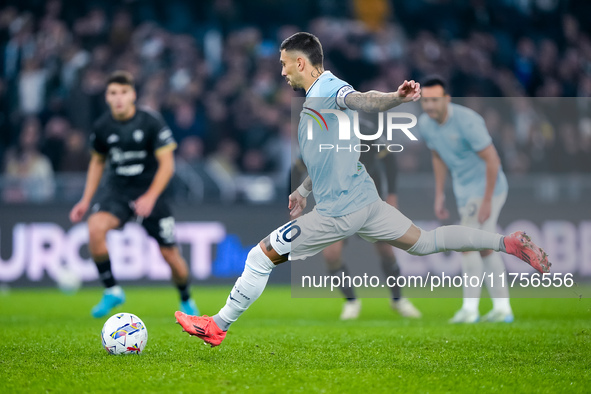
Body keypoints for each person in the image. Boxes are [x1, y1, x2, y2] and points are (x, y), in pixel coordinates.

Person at [175, 32, 550, 347]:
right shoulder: (315, 101)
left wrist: (395, 98)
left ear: (301, 63)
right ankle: (508, 243)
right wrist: (304, 190)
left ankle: (217, 326)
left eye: (284, 63)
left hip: (339, 211)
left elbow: (364, 99)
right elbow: (327, 156)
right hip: (366, 201)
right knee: (425, 243)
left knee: (260, 258)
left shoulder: (329, 88)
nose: (282, 70)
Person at [69, 70, 199, 318]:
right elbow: (97, 163)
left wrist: (150, 197)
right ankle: (112, 291)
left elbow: (167, 164)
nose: (118, 98)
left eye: (123, 92)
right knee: (95, 227)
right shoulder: (102, 126)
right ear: (107, 97)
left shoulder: (151, 122)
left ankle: (186, 297)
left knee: (170, 255)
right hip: (118, 192)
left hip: (152, 193)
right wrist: (85, 200)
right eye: (113, 93)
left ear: (133, 95)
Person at [294, 116, 421, 320]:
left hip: (369, 199)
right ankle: (351, 302)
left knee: (386, 250)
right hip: (336, 203)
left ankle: (398, 299)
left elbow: (389, 160)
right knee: (331, 255)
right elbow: (297, 168)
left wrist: (392, 195)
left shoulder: (366, 129)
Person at [418, 77, 513, 323]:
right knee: (485, 247)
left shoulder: (468, 121)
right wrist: (440, 194)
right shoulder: (425, 125)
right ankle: (503, 309)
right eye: (425, 100)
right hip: (465, 192)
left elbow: (493, 160)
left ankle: (470, 310)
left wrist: (487, 201)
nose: (429, 106)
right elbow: (438, 156)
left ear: (447, 99)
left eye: (434, 100)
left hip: (487, 189)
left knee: (467, 243)